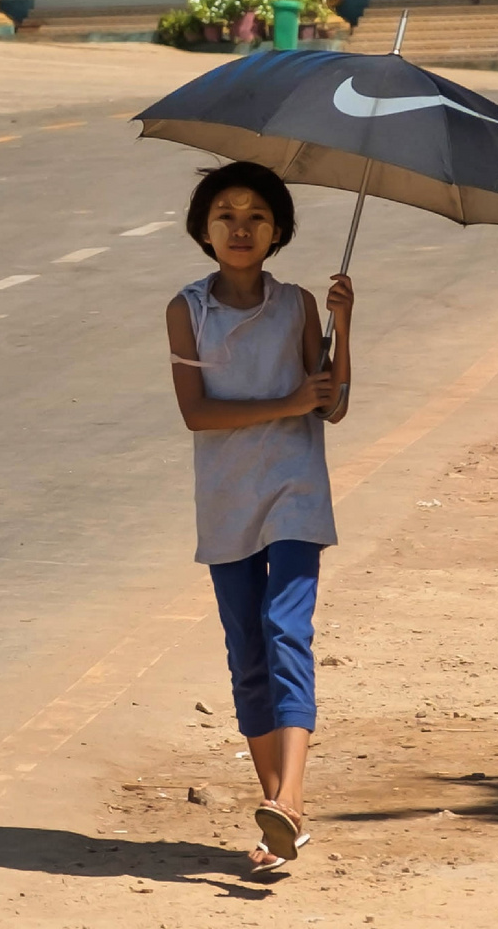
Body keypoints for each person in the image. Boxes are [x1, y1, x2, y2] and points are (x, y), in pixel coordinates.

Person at [165, 161, 354, 871]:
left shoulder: (299, 304)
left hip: (295, 492)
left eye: (256, 217)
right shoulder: (187, 310)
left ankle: (291, 801)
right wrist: (286, 404)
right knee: (247, 653)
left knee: (285, 630)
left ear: (278, 231)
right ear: (204, 230)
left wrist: (342, 324)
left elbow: (330, 404)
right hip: (225, 498)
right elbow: (197, 414)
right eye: (226, 215)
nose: (240, 228)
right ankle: (279, 808)